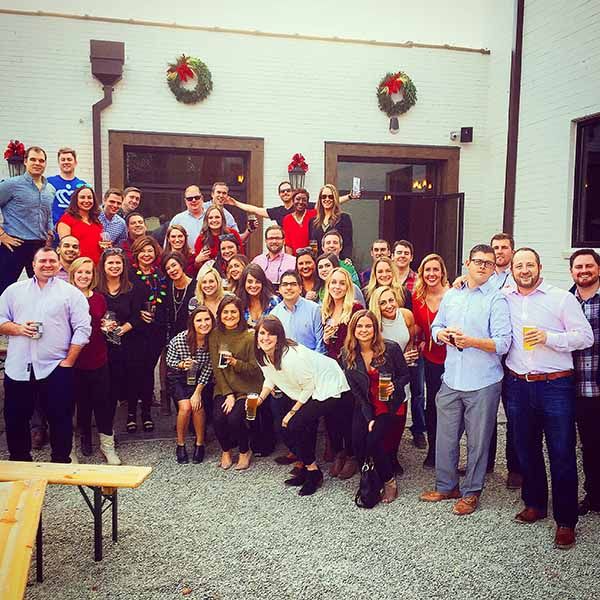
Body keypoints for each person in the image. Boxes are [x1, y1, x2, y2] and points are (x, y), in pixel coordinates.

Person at [504, 247, 593, 549]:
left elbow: (585, 336)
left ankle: (566, 521)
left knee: (562, 453)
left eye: (530, 264)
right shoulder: (505, 297)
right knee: (525, 448)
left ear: (539, 267)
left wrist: (548, 338)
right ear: (512, 271)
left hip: (556, 385)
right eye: (519, 266)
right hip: (518, 384)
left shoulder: (561, 299)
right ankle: (535, 503)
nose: (524, 270)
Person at [420, 244, 511, 517]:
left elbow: (503, 343)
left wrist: (471, 342)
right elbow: (436, 326)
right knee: (445, 438)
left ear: (493, 268)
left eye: (488, 263)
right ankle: (447, 486)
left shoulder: (496, 299)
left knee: (478, 442)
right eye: (478, 261)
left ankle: (471, 492)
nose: (482, 266)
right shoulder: (452, 295)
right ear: (466, 264)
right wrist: (441, 335)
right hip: (451, 378)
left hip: (483, 381)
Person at [0, 246, 91, 462]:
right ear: (33, 265)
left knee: (61, 418)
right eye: (42, 261)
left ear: (59, 264)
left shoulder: (70, 293)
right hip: (19, 366)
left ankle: (60, 462)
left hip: (55, 366)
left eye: (52, 261)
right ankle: (20, 461)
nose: (47, 264)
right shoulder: (14, 291)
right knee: (15, 418)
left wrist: (69, 361)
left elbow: (83, 329)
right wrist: (18, 329)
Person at [254, 315, 350, 496]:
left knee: (294, 424)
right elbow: (270, 377)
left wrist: (292, 412)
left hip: (328, 385)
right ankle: (308, 468)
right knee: (294, 427)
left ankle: (313, 472)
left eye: (271, 334)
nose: (265, 338)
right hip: (308, 387)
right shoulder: (262, 354)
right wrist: (259, 399)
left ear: (279, 338)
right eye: (262, 333)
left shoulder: (290, 357)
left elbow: (309, 386)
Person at [342, 310, 410, 503]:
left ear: (375, 329)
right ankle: (370, 476)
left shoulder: (390, 348)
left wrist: (394, 385)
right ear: (353, 329)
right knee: (357, 441)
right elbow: (355, 390)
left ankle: (389, 481)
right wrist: (369, 417)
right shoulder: (347, 354)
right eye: (359, 326)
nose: (364, 330)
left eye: (368, 326)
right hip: (366, 402)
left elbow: (406, 375)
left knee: (373, 441)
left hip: (389, 403)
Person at [69, 256, 121, 464]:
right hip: (73, 360)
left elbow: (102, 323)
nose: (84, 276)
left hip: (98, 358)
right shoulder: (65, 297)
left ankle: (107, 446)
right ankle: (71, 448)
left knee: (103, 404)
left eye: (88, 272)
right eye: (80, 272)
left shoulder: (99, 298)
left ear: (93, 275)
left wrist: (107, 327)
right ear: (73, 274)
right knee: (75, 406)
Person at [208, 296, 263, 470]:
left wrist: (235, 363)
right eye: (225, 312)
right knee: (218, 417)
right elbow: (216, 368)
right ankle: (226, 450)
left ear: (240, 314)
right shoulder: (215, 334)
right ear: (220, 314)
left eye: (233, 312)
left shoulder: (250, 336)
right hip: (225, 386)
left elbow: (255, 369)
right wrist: (228, 394)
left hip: (248, 387)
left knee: (235, 418)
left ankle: (244, 451)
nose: (229, 315)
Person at [96, 248, 144, 435]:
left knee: (131, 379)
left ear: (124, 265)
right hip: (104, 344)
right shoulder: (96, 288)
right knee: (108, 385)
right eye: (111, 263)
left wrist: (124, 328)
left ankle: (131, 414)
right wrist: (102, 324)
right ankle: (107, 426)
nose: (115, 266)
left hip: (129, 341)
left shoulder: (132, 288)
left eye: (118, 263)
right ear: (103, 265)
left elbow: (138, 315)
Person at [369, 286, 415, 475]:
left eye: (391, 300)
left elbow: (410, 338)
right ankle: (383, 456)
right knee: (385, 416)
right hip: (383, 376)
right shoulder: (373, 324)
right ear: (376, 305)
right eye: (383, 303)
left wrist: (409, 352)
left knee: (400, 417)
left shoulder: (406, 315)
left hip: (402, 374)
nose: (389, 305)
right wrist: (399, 359)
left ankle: (394, 455)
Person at [320, 267, 362, 478]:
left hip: (349, 368)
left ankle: (352, 455)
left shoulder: (355, 309)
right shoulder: (325, 310)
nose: (337, 287)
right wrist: (326, 339)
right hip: (330, 369)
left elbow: (361, 340)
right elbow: (324, 345)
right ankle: (339, 453)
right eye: (333, 283)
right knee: (332, 412)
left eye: (341, 283)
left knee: (349, 413)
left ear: (348, 287)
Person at [569, 249, 600, 516]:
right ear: (571, 272)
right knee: (589, 446)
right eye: (578, 267)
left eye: (589, 265)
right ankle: (594, 496)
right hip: (578, 388)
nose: (583, 271)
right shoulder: (565, 302)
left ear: (598, 269)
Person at [0, 146, 54, 295]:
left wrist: (50, 231)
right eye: (33, 159)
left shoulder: (50, 189)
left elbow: (48, 213)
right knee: (4, 288)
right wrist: (1, 235)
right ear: (25, 161)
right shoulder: (11, 185)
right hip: (14, 244)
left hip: (39, 246)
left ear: (45, 163)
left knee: (42, 290)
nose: (37, 163)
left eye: (41, 160)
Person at [411, 254, 449, 464]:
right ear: (422, 273)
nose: (431, 274)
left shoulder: (453, 295)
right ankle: (433, 450)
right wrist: (417, 340)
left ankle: (449, 452)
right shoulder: (417, 296)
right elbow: (417, 325)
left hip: (453, 359)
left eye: (436, 269)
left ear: (442, 272)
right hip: (431, 358)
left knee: (451, 406)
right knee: (433, 404)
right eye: (427, 270)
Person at [127, 236, 167, 432]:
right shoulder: (129, 275)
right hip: (135, 332)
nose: (146, 254)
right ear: (136, 253)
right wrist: (137, 314)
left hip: (155, 332)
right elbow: (123, 302)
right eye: (142, 251)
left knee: (148, 372)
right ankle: (131, 413)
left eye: (150, 250)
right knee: (134, 372)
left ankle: (146, 413)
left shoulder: (160, 275)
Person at [166, 306, 214, 464]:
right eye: (199, 320)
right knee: (185, 407)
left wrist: (198, 392)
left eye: (207, 319)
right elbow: (169, 361)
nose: (203, 324)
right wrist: (181, 364)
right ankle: (180, 444)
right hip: (178, 377)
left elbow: (208, 369)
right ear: (192, 323)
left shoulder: (212, 340)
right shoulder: (181, 339)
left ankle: (200, 443)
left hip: (199, 378)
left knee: (197, 406)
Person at [225, 180, 357, 226]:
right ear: (279, 194)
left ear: (293, 192)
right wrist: (236, 203)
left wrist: (349, 196)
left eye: (288, 190)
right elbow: (255, 209)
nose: (285, 193)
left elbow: (329, 202)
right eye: (282, 191)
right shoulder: (278, 212)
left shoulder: (304, 206)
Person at [271, 270, 325, 353]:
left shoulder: (314, 309)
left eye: (293, 284)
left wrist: (312, 360)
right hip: (285, 359)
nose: (289, 287)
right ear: (280, 290)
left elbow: (320, 344)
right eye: (285, 284)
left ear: (300, 289)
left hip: (311, 358)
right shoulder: (274, 314)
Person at [57, 185, 103, 264]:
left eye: (89, 197)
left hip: (97, 267)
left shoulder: (96, 221)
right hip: (78, 267)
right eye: (82, 197)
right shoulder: (66, 220)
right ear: (76, 200)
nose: (86, 200)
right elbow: (65, 250)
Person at [308, 184, 353, 259]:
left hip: (337, 261)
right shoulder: (313, 222)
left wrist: (346, 259)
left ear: (335, 198)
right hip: (319, 262)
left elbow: (348, 244)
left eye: (330, 197)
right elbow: (312, 246)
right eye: (324, 196)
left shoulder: (344, 218)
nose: (327, 199)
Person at [194, 205, 244, 270]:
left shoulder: (232, 233)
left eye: (217, 217)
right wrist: (197, 261)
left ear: (222, 219)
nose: (214, 220)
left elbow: (241, 257)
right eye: (210, 218)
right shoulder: (201, 238)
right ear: (207, 220)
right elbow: (197, 268)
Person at [48, 147, 87, 228]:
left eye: (69, 159)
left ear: (75, 162)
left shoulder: (82, 185)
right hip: (54, 230)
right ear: (59, 163)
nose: (66, 162)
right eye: (63, 160)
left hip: (76, 229)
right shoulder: (49, 182)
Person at [282, 189, 316, 256]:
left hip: (311, 257)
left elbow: (315, 239)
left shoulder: (314, 215)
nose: (300, 202)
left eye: (304, 200)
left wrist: (314, 256)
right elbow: (288, 244)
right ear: (293, 201)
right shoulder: (287, 219)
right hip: (294, 257)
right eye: (297, 199)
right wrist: (290, 260)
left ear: (307, 202)